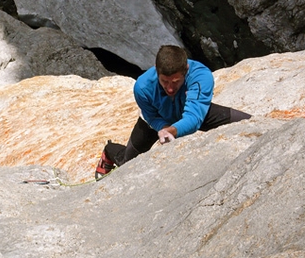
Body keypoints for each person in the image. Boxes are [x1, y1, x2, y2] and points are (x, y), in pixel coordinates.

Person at [95, 45, 251, 179]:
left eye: (176, 82)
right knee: (127, 163)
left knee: (251, 125)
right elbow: (150, 115)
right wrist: (163, 127)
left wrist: (172, 130)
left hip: (193, 110)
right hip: (156, 120)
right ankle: (109, 152)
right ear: (156, 70)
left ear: (186, 70)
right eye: (164, 81)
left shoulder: (200, 75)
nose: (170, 88)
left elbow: (194, 118)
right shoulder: (142, 87)